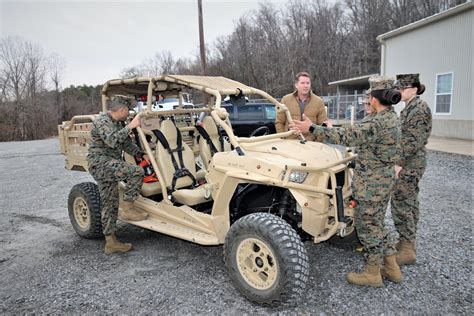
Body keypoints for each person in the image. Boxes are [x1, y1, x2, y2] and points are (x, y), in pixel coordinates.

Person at [290, 76, 402, 287]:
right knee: (378, 223)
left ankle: (373, 273)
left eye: (369, 96)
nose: (367, 100)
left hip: (371, 185)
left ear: (375, 99)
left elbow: (347, 135)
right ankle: (392, 268)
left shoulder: (376, 122)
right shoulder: (392, 118)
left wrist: (312, 128)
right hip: (383, 180)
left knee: (368, 227)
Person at [87, 100, 149, 255]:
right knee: (136, 172)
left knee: (110, 203)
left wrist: (141, 154)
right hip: (100, 164)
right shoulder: (102, 121)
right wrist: (131, 126)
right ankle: (128, 209)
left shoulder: (118, 122)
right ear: (121, 109)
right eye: (128, 110)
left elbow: (126, 144)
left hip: (110, 163)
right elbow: (112, 140)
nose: (129, 113)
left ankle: (111, 243)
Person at [391, 73, 432, 265]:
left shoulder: (418, 109)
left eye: (403, 88)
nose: (399, 92)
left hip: (409, 164)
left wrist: (398, 163)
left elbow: (412, 141)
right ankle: (407, 242)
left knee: (402, 202)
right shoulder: (410, 108)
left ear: (414, 89)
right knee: (410, 202)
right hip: (411, 162)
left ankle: (407, 249)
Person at [275, 72, 327, 141]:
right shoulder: (286, 100)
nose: (306, 86)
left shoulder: (318, 101)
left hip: (311, 145)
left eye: (308, 83)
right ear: (296, 85)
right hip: (290, 143)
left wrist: (317, 141)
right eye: (302, 83)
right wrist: (283, 138)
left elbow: (324, 125)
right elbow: (279, 122)